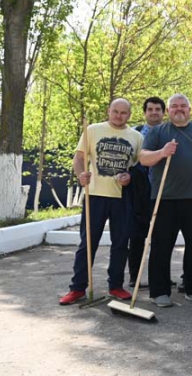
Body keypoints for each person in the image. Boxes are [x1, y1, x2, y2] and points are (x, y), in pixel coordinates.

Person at [139, 94, 192, 307]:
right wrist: (162, 152)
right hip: (164, 199)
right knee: (161, 246)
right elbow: (144, 158)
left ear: (190, 109)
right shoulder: (158, 132)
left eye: (183, 106)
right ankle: (159, 291)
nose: (179, 109)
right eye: (174, 106)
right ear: (168, 111)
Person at [59, 99, 143, 305]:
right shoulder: (93, 130)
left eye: (124, 113)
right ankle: (77, 288)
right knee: (88, 243)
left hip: (122, 197)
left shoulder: (137, 137)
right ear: (108, 111)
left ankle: (116, 285)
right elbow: (79, 159)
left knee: (121, 244)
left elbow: (139, 168)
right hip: (95, 194)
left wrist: (130, 178)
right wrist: (81, 175)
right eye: (115, 111)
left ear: (129, 115)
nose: (119, 116)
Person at [128, 96, 164, 288]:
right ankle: (135, 276)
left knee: (160, 236)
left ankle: (158, 277)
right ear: (145, 112)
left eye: (157, 109)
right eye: (150, 109)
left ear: (163, 112)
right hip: (140, 192)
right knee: (137, 235)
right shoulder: (135, 133)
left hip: (162, 191)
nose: (154, 112)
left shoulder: (169, 133)